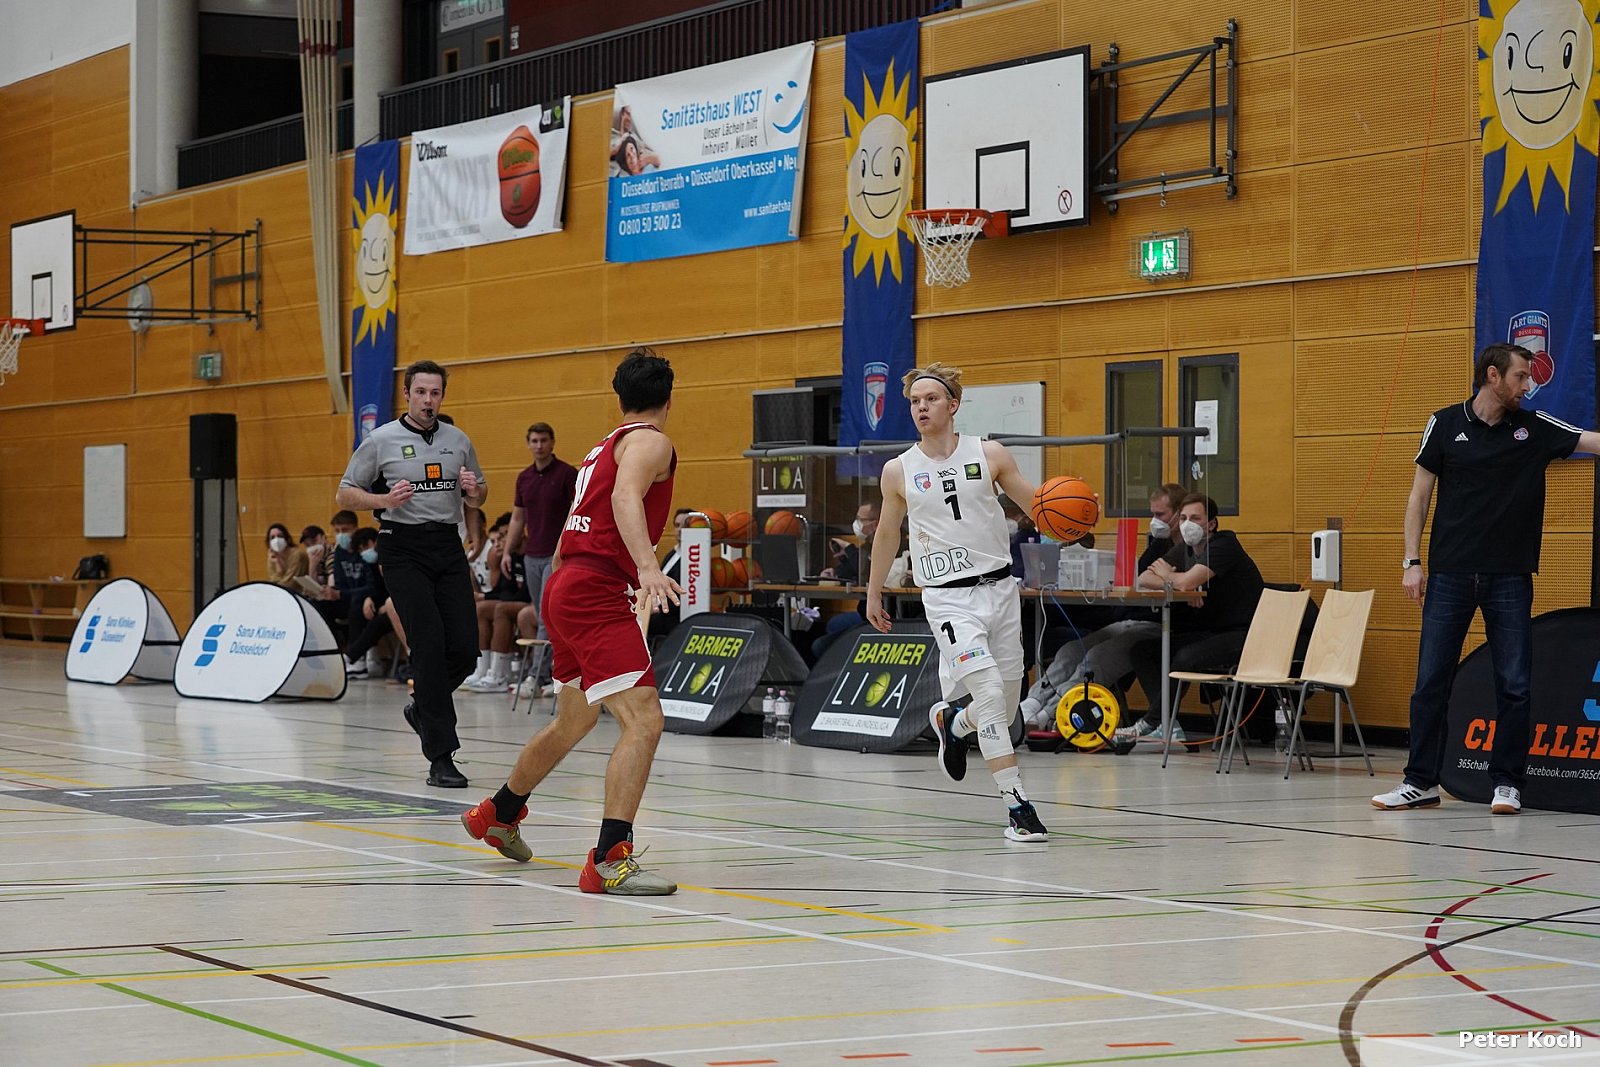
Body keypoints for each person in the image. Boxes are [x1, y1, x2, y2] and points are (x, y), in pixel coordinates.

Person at [461, 349, 682, 895]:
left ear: (620, 397)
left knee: (574, 720)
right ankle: (609, 860)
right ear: (669, 399)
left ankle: (499, 812)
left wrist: (568, 586)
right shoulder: (651, 441)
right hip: (594, 588)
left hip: (567, 583)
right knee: (645, 721)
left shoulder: (599, 449)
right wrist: (647, 568)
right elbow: (627, 498)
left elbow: (569, 531)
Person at [1373, 343, 1600, 814]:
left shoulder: (1534, 428)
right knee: (1431, 681)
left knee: (1514, 684)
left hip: (1510, 577)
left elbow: (1589, 441)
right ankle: (1420, 781)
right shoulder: (1443, 424)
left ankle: (1507, 783)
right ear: (1493, 376)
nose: (1527, 386)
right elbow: (1418, 498)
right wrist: (1411, 561)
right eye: (1520, 376)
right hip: (1450, 576)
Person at [865, 362, 1049, 843]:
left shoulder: (989, 454)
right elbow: (887, 534)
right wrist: (873, 590)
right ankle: (1018, 805)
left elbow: (1037, 507)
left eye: (930, 399)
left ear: (953, 404)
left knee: (1006, 704)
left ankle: (954, 721)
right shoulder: (898, 470)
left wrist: (1072, 519)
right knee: (988, 692)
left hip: (1000, 590)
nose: (921, 407)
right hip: (948, 599)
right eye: (914, 402)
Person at [337, 359, 487, 789]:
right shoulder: (381, 439)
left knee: (464, 649)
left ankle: (422, 705)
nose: (428, 400)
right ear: (407, 394)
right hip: (402, 547)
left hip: (447, 546)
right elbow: (345, 493)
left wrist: (474, 492)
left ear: (442, 396)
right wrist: (383, 500)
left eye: (435, 393)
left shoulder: (458, 440)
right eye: (420, 392)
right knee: (427, 643)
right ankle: (441, 757)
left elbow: (479, 494)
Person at [1018, 482, 1191, 730]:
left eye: (1160, 514)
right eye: (1152, 513)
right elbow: (1140, 576)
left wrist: (1162, 578)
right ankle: (1031, 704)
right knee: (1070, 651)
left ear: (1178, 514)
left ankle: (1050, 712)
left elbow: (1158, 581)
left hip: (1163, 624)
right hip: (1132, 620)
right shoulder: (1160, 543)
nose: (1155, 521)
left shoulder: (1190, 550)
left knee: (1097, 657)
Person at [1119, 492, 1266, 742]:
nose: (1188, 524)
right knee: (1142, 651)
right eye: (1184, 518)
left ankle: (1151, 722)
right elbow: (1144, 578)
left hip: (1244, 633)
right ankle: (1167, 723)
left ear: (1211, 523)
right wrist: (1181, 583)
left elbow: (1186, 582)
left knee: (1184, 657)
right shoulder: (1185, 549)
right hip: (1210, 632)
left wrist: (1175, 579)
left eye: (1195, 518)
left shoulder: (1224, 543)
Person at [502, 421, 578, 692]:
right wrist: (508, 551)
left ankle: (537, 676)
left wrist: (566, 548)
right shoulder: (524, 478)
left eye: (544, 440)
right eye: (534, 441)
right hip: (531, 556)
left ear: (552, 442)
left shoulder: (567, 474)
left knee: (547, 616)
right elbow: (517, 518)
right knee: (539, 614)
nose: (539, 446)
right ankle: (551, 673)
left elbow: (577, 512)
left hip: (557, 556)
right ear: (528, 444)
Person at [265, 523, 308, 588]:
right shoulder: (272, 556)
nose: (276, 540)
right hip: (282, 590)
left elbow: (290, 584)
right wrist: (277, 563)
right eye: (272, 537)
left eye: (280, 536)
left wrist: (277, 586)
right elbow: (274, 581)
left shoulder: (297, 554)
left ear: (287, 539)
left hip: (299, 592)